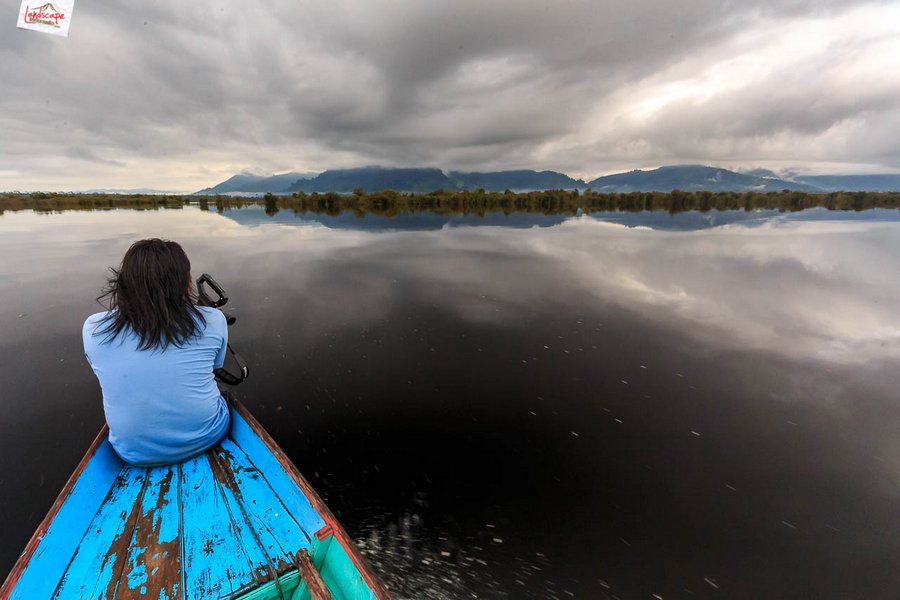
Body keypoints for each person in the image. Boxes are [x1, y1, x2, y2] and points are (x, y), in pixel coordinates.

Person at [82, 238, 230, 466]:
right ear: (184, 283)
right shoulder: (214, 320)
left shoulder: (94, 329)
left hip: (132, 453)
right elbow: (215, 367)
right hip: (209, 436)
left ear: (125, 283)